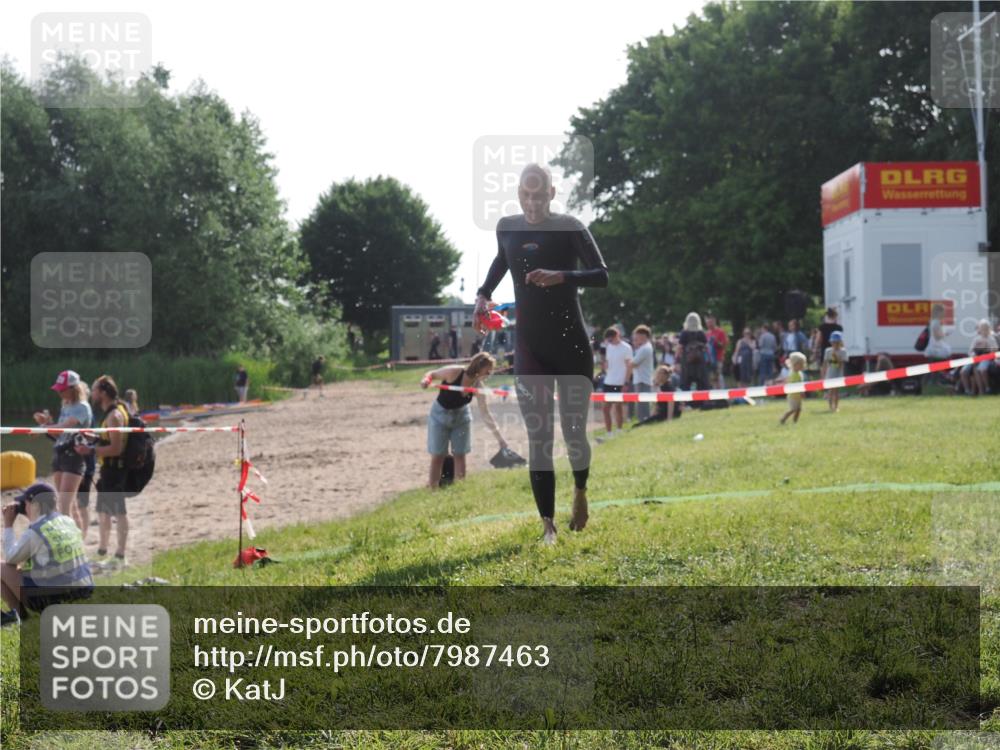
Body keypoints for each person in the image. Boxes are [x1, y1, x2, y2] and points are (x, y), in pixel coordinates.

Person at [474, 163, 608, 544]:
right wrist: (483, 295)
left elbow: (602, 274)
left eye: (539, 194)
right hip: (530, 347)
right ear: (518, 193)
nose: (531, 202)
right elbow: (504, 259)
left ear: (551, 193)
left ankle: (580, 491)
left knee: (574, 432)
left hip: (571, 345)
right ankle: (547, 526)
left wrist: (562, 275)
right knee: (539, 437)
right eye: (525, 195)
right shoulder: (507, 227)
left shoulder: (570, 228)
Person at [1, 482, 94, 626]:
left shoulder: (36, 531)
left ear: (35, 505)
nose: (24, 508)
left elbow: (11, 559)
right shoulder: (67, 521)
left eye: (25, 504)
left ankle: (19, 617)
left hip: (56, 600)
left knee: (1, 568)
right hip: (83, 592)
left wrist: (8, 525)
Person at [421, 353, 507, 488]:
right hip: (439, 415)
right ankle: (433, 489)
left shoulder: (478, 386)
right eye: (488, 370)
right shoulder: (454, 372)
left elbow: (486, 414)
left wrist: (500, 440)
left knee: (460, 454)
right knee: (438, 455)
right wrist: (426, 380)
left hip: (461, 417)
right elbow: (432, 374)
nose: (490, 374)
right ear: (478, 367)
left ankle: (460, 489)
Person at [74, 375, 130, 569]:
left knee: (119, 512)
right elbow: (108, 440)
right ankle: (102, 550)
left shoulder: (114, 416)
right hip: (108, 469)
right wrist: (91, 437)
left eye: (96, 390)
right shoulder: (109, 414)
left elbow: (116, 448)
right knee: (103, 512)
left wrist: (90, 450)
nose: (93, 393)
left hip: (115, 470)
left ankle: (121, 554)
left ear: (104, 393)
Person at [32, 370, 92, 535]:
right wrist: (47, 424)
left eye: (62, 389)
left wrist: (43, 428)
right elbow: (59, 433)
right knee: (68, 506)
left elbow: (65, 428)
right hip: (59, 454)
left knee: (64, 507)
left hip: (73, 457)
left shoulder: (82, 407)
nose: (59, 392)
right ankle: (77, 546)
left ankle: (74, 548)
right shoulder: (66, 405)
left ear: (73, 388)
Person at [600, 327, 632, 439]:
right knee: (605, 408)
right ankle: (609, 432)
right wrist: (605, 366)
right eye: (608, 339)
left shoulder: (626, 347)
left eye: (611, 339)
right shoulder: (608, 347)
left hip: (620, 382)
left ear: (617, 336)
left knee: (618, 406)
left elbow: (629, 366)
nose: (610, 341)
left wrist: (626, 382)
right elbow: (607, 362)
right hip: (608, 381)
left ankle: (619, 430)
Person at [959, 319, 998, 396]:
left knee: (980, 369)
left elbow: (995, 350)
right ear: (980, 329)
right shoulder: (976, 339)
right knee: (963, 372)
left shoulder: (991, 339)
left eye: (986, 328)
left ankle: (986, 389)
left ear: (989, 329)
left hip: (986, 359)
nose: (984, 330)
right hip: (974, 359)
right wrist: (973, 355)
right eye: (982, 328)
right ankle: (967, 391)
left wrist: (987, 350)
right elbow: (970, 351)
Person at [678, 312, 710, 394]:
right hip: (700, 362)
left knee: (685, 383)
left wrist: (677, 359)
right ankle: (701, 401)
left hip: (687, 362)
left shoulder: (684, 333)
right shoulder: (701, 333)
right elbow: (706, 347)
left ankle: (686, 402)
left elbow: (680, 347)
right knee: (701, 383)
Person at [630, 325, 655, 422]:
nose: (636, 339)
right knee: (641, 404)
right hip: (642, 379)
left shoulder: (645, 348)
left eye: (637, 336)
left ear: (643, 335)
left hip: (642, 380)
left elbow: (633, 363)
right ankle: (643, 421)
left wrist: (627, 361)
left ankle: (644, 421)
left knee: (642, 405)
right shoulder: (644, 347)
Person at [821, 330, 848, 412]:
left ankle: (836, 407)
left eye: (837, 342)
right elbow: (825, 363)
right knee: (830, 391)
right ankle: (830, 406)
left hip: (838, 373)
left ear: (840, 342)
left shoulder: (843, 352)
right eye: (833, 342)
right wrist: (823, 374)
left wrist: (836, 357)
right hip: (830, 373)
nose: (835, 345)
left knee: (836, 391)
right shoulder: (828, 351)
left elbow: (841, 364)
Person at [779, 351, 808, 425]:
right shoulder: (793, 374)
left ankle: (795, 422)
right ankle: (783, 418)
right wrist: (801, 392)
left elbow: (801, 384)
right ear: (795, 364)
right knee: (793, 409)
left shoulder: (799, 373)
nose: (802, 366)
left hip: (798, 396)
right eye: (801, 364)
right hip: (792, 396)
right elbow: (795, 385)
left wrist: (802, 392)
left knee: (798, 409)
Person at [705, 316, 730, 388]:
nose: (708, 325)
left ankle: (721, 393)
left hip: (718, 358)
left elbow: (724, 344)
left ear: (714, 322)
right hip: (709, 359)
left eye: (710, 323)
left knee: (718, 375)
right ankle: (714, 393)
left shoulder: (720, 332)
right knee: (711, 377)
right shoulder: (707, 333)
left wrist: (715, 341)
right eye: (707, 323)